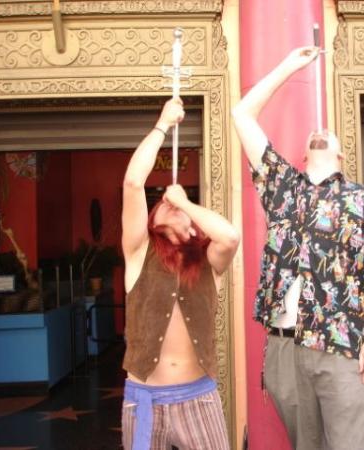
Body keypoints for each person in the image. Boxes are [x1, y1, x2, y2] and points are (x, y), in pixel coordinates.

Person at [232, 46, 364, 450]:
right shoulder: (282, 187)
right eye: (312, 136)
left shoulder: (362, 200)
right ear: (304, 154)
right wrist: (289, 65)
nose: (319, 132)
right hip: (284, 346)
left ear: (341, 153)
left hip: (341, 344)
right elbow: (242, 114)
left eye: (329, 135)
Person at [121, 98, 240, 450]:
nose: (169, 203)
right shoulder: (139, 252)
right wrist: (162, 124)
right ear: (152, 221)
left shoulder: (208, 260)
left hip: (198, 397)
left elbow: (230, 236)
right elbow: (133, 182)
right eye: (163, 205)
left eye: (179, 207)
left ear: (193, 226)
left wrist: (185, 201)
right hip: (144, 399)